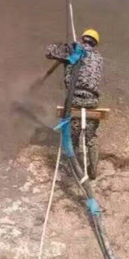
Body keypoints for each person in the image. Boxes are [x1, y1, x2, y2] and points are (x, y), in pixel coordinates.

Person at [45, 29, 103, 179]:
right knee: (91, 136)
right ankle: (93, 169)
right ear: (95, 43)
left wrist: (63, 46)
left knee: (73, 135)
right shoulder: (99, 57)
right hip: (92, 101)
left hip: (74, 98)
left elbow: (49, 52)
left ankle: (74, 168)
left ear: (82, 38)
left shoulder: (74, 50)